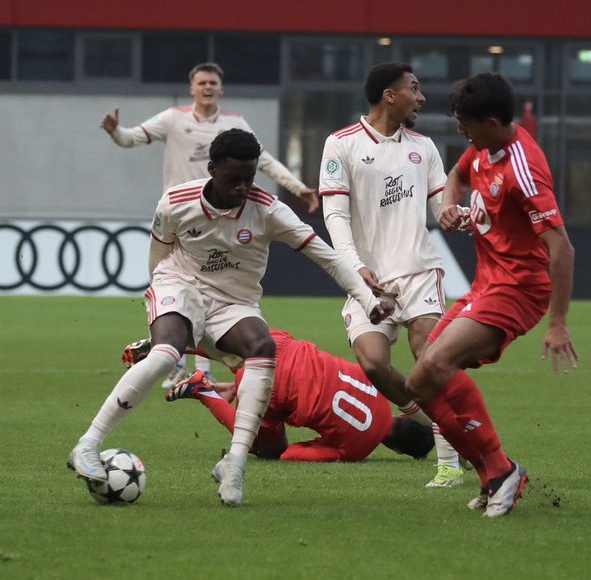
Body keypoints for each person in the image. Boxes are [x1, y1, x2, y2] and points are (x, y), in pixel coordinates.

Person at [68, 129, 391, 507]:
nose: (242, 187)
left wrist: (368, 301)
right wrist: (165, 309)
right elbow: (158, 261)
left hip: (234, 303)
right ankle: (87, 445)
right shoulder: (175, 202)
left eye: (249, 178)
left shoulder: (269, 210)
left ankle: (235, 463)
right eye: (233, 178)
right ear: (212, 169)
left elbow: (328, 257)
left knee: (263, 347)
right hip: (180, 284)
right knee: (165, 355)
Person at [406, 72, 579, 518]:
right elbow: (456, 178)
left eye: (465, 121)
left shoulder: (524, 168)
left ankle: (501, 471)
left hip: (518, 290)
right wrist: (448, 205)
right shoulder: (482, 150)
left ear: (492, 121)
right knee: (420, 383)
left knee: (437, 364)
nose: (459, 129)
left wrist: (557, 324)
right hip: (486, 284)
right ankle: (493, 475)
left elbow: (562, 249)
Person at [100, 61, 320, 387]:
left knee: (213, 290)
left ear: (220, 89)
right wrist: (116, 131)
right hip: (182, 220)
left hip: (222, 218)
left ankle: (190, 365)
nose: (207, 87)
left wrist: (298, 187)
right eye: (201, 82)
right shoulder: (173, 118)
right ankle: (175, 356)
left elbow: (266, 161)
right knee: (179, 289)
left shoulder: (234, 124)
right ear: (192, 88)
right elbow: (133, 138)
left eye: (212, 83)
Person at [319, 62, 465, 488]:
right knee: (373, 364)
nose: (421, 98)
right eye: (414, 89)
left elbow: (442, 208)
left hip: (419, 269)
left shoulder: (424, 147)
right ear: (389, 94)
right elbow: (335, 214)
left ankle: (450, 464)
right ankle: (451, 429)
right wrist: (354, 267)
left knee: (429, 357)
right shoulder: (341, 144)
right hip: (365, 276)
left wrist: (460, 216)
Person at [122, 329, 435, 463]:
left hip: (284, 344)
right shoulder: (355, 451)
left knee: (237, 351)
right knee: (268, 449)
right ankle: (203, 390)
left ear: (405, 414)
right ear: (397, 451)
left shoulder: (381, 388)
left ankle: (174, 343)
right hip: (277, 390)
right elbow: (291, 455)